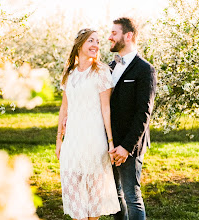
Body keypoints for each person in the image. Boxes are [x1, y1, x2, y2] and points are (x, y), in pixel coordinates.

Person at [55, 28, 121, 220]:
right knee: (77, 206)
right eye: (91, 41)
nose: (96, 45)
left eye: (98, 42)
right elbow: (64, 108)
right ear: (80, 44)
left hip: (94, 141)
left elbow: (106, 108)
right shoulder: (69, 74)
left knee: (93, 205)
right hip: (72, 142)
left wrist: (110, 141)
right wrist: (59, 139)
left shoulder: (101, 72)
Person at [108, 17, 157, 220]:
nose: (109, 37)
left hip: (130, 146)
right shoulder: (111, 66)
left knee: (131, 196)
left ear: (128, 36)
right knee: (113, 195)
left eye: (114, 33)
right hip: (109, 143)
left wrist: (126, 147)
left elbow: (143, 113)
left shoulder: (145, 69)